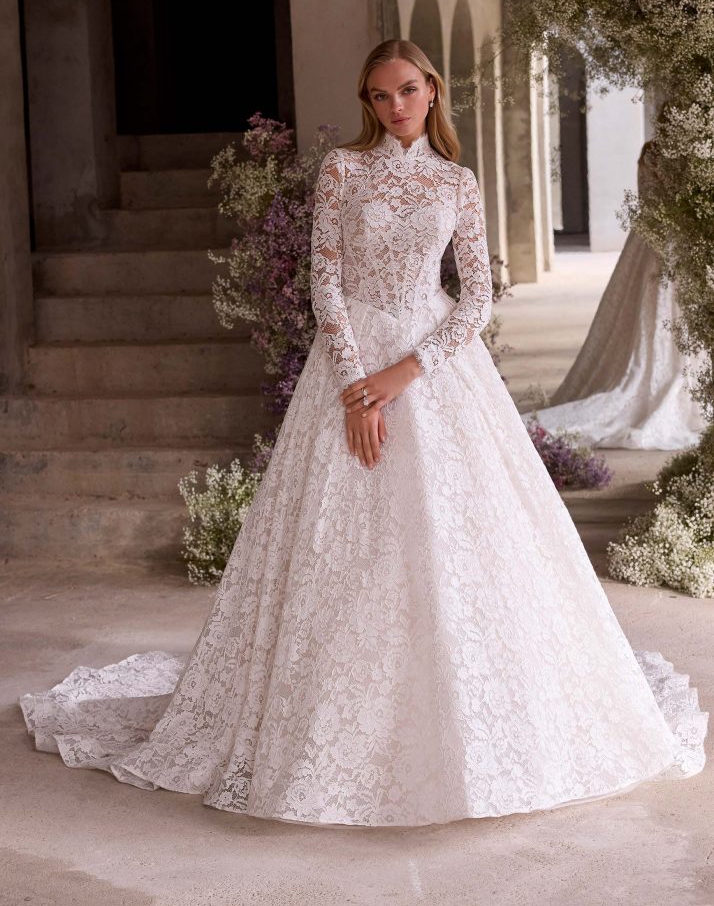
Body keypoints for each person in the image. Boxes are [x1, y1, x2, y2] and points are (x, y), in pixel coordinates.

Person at [19, 40, 707, 828]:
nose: (395, 107)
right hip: (347, 368)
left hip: (435, 368)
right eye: (380, 97)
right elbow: (327, 282)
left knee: (462, 547)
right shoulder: (345, 170)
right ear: (368, 102)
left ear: (432, 90)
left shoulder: (459, 181)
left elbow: (477, 298)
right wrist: (356, 390)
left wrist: (403, 375)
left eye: (408, 91)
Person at [524, 140, 708, 449]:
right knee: (661, 313)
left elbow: (647, 197)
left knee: (662, 314)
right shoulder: (681, 150)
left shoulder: (652, 151)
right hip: (672, 240)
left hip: (655, 239)